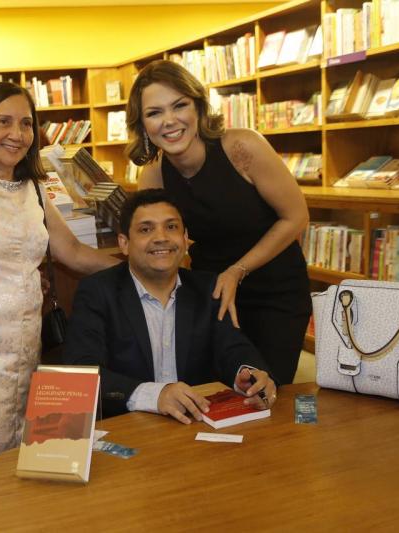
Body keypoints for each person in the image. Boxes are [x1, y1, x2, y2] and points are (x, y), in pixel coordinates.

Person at [0, 81, 119, 476]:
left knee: (21, 462)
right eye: (4, 122)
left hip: (26, 352)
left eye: (26, 124)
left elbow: (72, 252)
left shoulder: (32, 188)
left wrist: (138, 265)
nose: (16, 134)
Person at [127, 59, 311, 384]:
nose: (169, 121)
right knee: (219, 389)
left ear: (198, 106)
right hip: (211, 292)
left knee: (266, 389)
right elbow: (158, 237)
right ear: (142, 124)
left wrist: (236, 271)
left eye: (179, 105)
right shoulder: (154, 174)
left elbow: (296, 217)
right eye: (154, 113)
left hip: (274, 290)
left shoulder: (243, 147)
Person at [63, 189, 276, 421]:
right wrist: (155, 395)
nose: (161, 237)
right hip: (128, 425)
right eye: (146, 229)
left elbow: (234, 348)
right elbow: (81, 372)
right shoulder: (96, 292)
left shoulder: (208, 288)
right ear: (124, 243)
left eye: (171, 227)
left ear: (185, 239)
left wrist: (248, 374)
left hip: (195, 425)